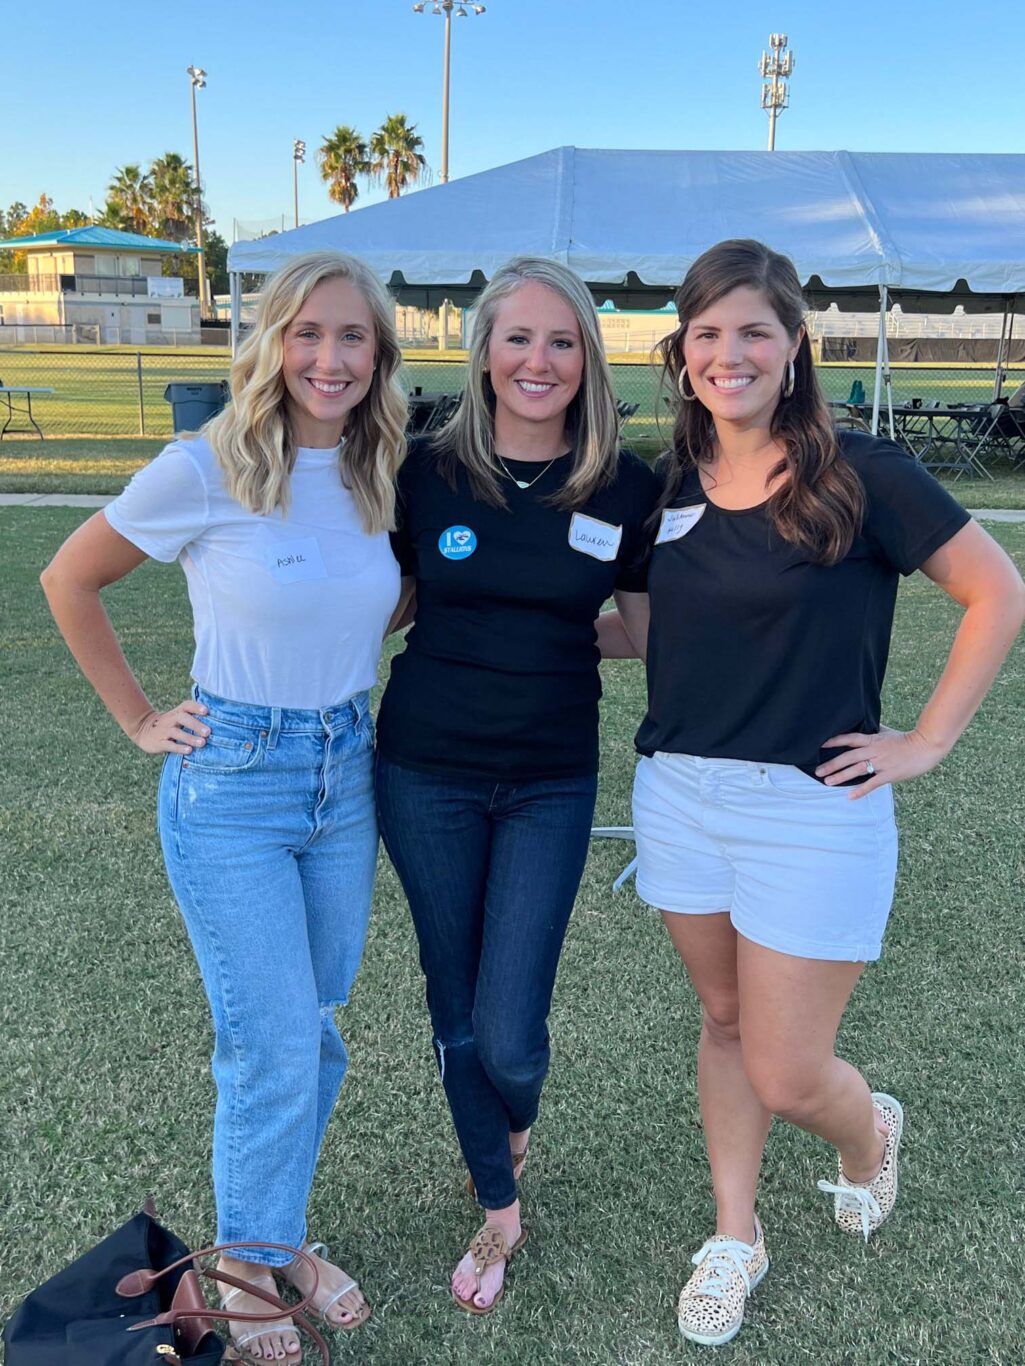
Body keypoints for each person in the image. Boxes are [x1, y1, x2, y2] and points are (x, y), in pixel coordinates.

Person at [618, 239, 1024, 1347]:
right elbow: (645, 631)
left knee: (790, 1068)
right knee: (722, 1019)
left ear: (793, 344)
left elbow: (994, 592)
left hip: (812, 806)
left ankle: (866, 1134)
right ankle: (734, 1234)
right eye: (705, 334)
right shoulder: (664, 484)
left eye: (752, 330)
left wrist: (924, 740)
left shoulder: (862, 470)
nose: (727, 353)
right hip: (680, 792)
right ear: (681, 352)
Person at [41, 250, 407, 1361]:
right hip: (234, 780)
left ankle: (277, 1235)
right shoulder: (205, 465)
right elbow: (70, 575)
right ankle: (247, 1261)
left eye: (351, 338)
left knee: (318, 1027)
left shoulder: (378, 466)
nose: (328, 359)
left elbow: (368, 608)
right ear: (270, 343)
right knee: (271, 1040)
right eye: (307, 334)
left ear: (378, 355)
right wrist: (142, 717)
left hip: (346, 770)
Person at [374, 257, 657, 1314]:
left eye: (561, 340)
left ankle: (508, 1126)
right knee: (454, 1003)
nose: (537, 360)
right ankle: (498, 1207)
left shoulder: (626, 487)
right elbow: (391, 601)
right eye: (517, 338)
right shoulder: (421, 470)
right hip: (422, 772)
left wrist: (552, 632)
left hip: (549, 778)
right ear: (483, 348)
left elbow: (643, 629)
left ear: (586, 357)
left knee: (511, 1031)